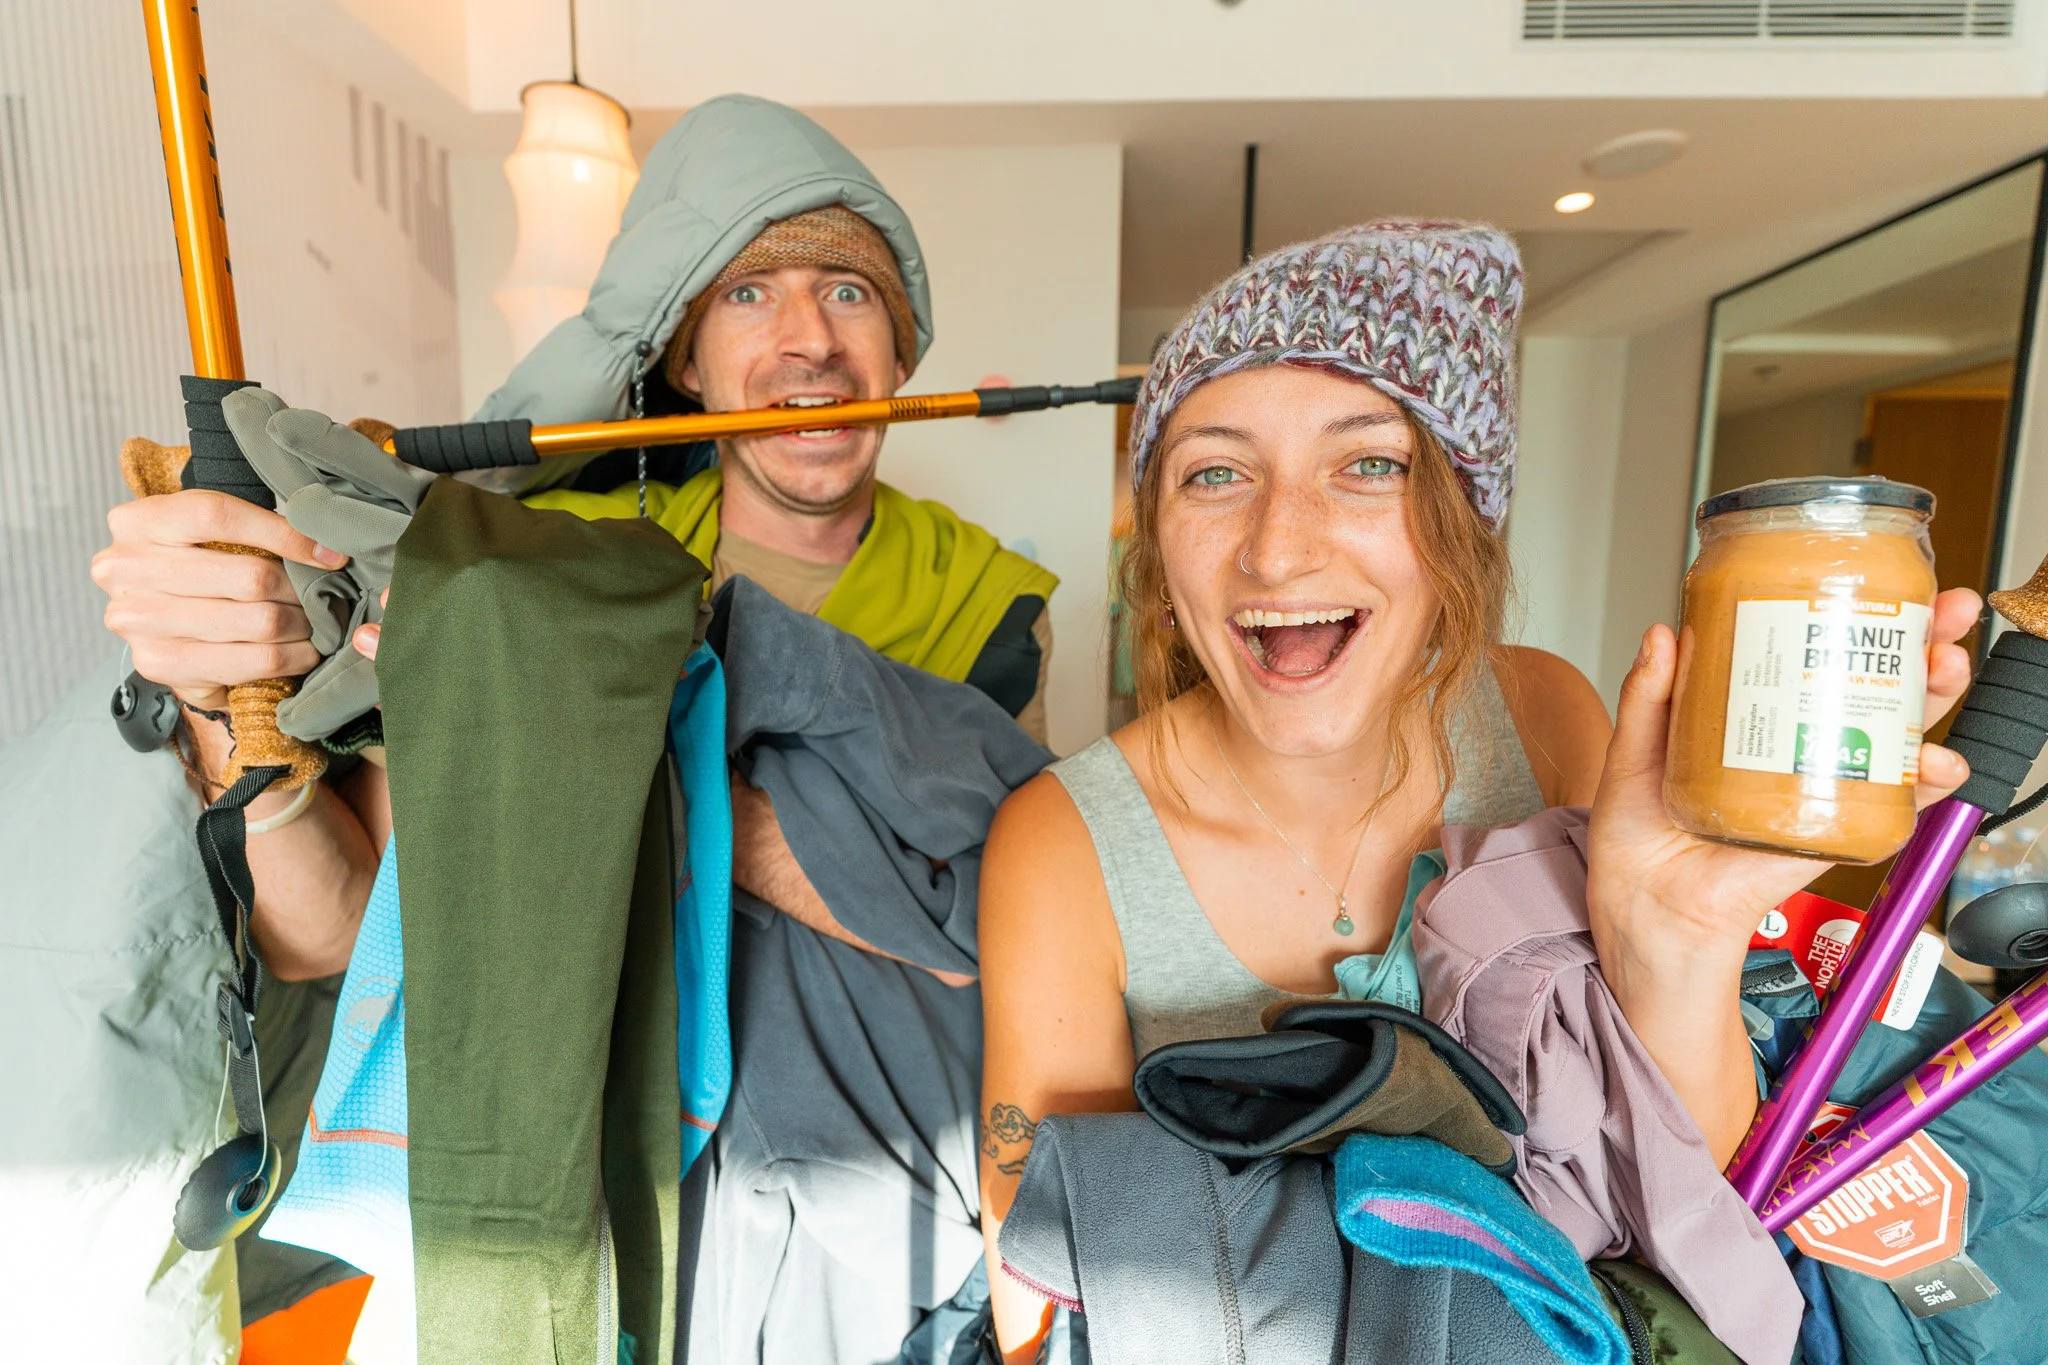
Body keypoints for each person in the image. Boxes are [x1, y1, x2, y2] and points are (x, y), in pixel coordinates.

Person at [972, 221, 1981, 1360]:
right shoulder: (1065, 844)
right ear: (1157, 555)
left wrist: (1678, 936)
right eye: (1214, 473)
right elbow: (1047, 1296)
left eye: (1368, 464)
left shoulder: (1540, 714)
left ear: (1459, 530)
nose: (1277, 549)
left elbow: (1693, 1205)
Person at [88, 93, 1052, 983]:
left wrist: (637, 776)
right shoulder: (540, 554)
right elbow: (329, 939)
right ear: (688, 365)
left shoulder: (993, 601)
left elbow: (1008, 936)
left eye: (848, 291)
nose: (811, 339)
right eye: (747, 294)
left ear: (899, 351)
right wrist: (225, 704)